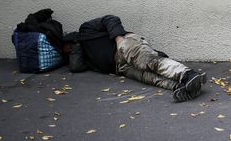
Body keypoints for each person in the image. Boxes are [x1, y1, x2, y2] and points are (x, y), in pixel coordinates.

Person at [62, 15, 206, 102]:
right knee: (150, 78)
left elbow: (111, 18)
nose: (69, 51)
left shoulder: (86, 29)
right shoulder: (84, 56)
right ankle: (185, 88)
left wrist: (118, 39)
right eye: (67, 52)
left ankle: (189, 75)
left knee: (150, 62)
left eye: (68, 47)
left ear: (70, 39)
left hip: (125, 45)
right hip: (120, 67)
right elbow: (75, 67)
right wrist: (75, 48)